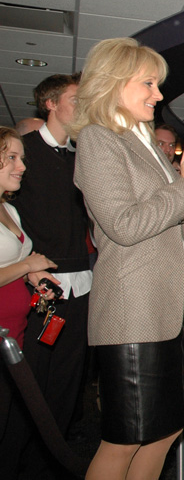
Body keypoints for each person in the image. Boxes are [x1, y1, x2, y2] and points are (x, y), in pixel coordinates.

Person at [71, 37, 184, 480]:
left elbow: (178, 230)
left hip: (169, 312)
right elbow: (124, 226)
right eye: (148, 83)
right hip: (132, 314)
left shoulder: (145, 146)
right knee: (124, 439)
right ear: (113, 83)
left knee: (165, 431)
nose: (159, 95)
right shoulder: (98, 140)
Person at [15, 73, 93, 470]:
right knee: (32, 383)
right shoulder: (23, 152)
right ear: (50, 103)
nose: (83, 106)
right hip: (38, 285)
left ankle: (53, 462)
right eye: (75, 99)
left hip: (82, 282)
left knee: (68, 380)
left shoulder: (84, 157)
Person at [0, 126, 61, 479]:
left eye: (21, 158)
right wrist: (28, 265)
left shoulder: (11, 209)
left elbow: (17, 264)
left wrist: (34, 278)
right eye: (11, 157)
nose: (21, 166)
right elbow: (19, 262)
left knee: (9, 418)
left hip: (15, 333)